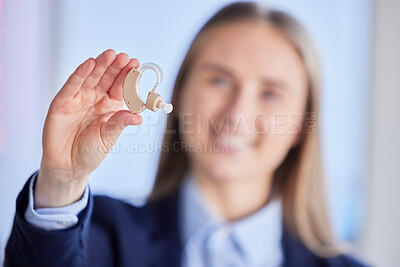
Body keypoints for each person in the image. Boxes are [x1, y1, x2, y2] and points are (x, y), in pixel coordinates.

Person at [4, 2, 366, 267]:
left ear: (302, 126)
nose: (237, 113)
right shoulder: (98, 236)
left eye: (271, 92)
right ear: (179, 94)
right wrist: (62, 182)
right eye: (220, 80)